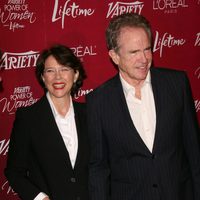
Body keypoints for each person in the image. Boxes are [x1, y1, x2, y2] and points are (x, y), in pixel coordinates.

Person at [86, 13, 200, 200]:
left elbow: (194, 151)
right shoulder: (99, 102)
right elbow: (99, 168)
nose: (144, 59)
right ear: (114, 56)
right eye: (134, 52)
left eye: (147, 49)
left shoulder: (176, 84)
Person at [5, 44, 89, 200]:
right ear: (43, 77)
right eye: (50, 71)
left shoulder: (89, 114)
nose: (58, 77)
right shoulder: (28, 118)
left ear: (75, 74)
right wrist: (40, 198)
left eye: (64, 69)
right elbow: (14, 172)